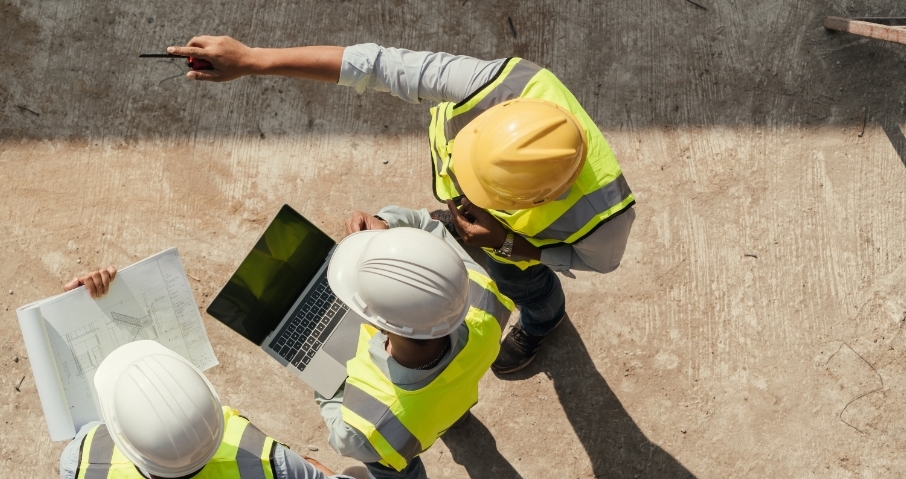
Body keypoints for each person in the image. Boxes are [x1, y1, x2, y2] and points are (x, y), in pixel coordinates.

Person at [165, 37, 636, 373]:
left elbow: (597, 263)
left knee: (527, 288)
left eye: (478, 193)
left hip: (515, 251)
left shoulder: (605, 221)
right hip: (495, 232)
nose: (460, 195)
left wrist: (514, 246)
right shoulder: (493, 85)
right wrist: (252, 60)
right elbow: (375, 65)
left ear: (537, 198)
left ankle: (544, 319)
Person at [58, 267, 373, 479]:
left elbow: (86, 418)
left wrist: (79, 311)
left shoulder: (80, 471)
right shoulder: (272, 468)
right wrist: (305, 470)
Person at [314, 205, 513, 479]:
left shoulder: (369, 425)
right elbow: (429, 229)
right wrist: (387, 229)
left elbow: (343, 439)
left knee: (393, 471)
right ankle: (455, 420)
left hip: (401, 434)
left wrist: (323, 384)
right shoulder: (482, 297)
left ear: (377, 325)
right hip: (449, 399)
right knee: (446, 405)